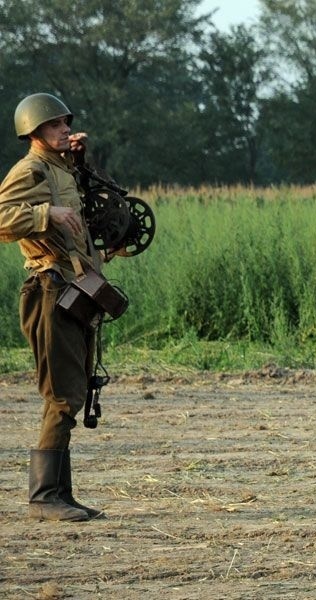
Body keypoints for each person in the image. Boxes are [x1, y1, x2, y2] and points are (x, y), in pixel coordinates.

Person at [0, 92, 118, 521]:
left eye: (66, 123)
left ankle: (61, 495)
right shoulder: (29, 170)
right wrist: (45, 213)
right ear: (35, 132)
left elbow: (89, 217)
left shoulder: (60, 168)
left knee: (76, 389)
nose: (65, 129)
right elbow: (1, 218)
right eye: (55, 126)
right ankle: (44, 495)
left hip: (76, 289)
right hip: (49, 291)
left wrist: (79, 163)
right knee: (63, 395)